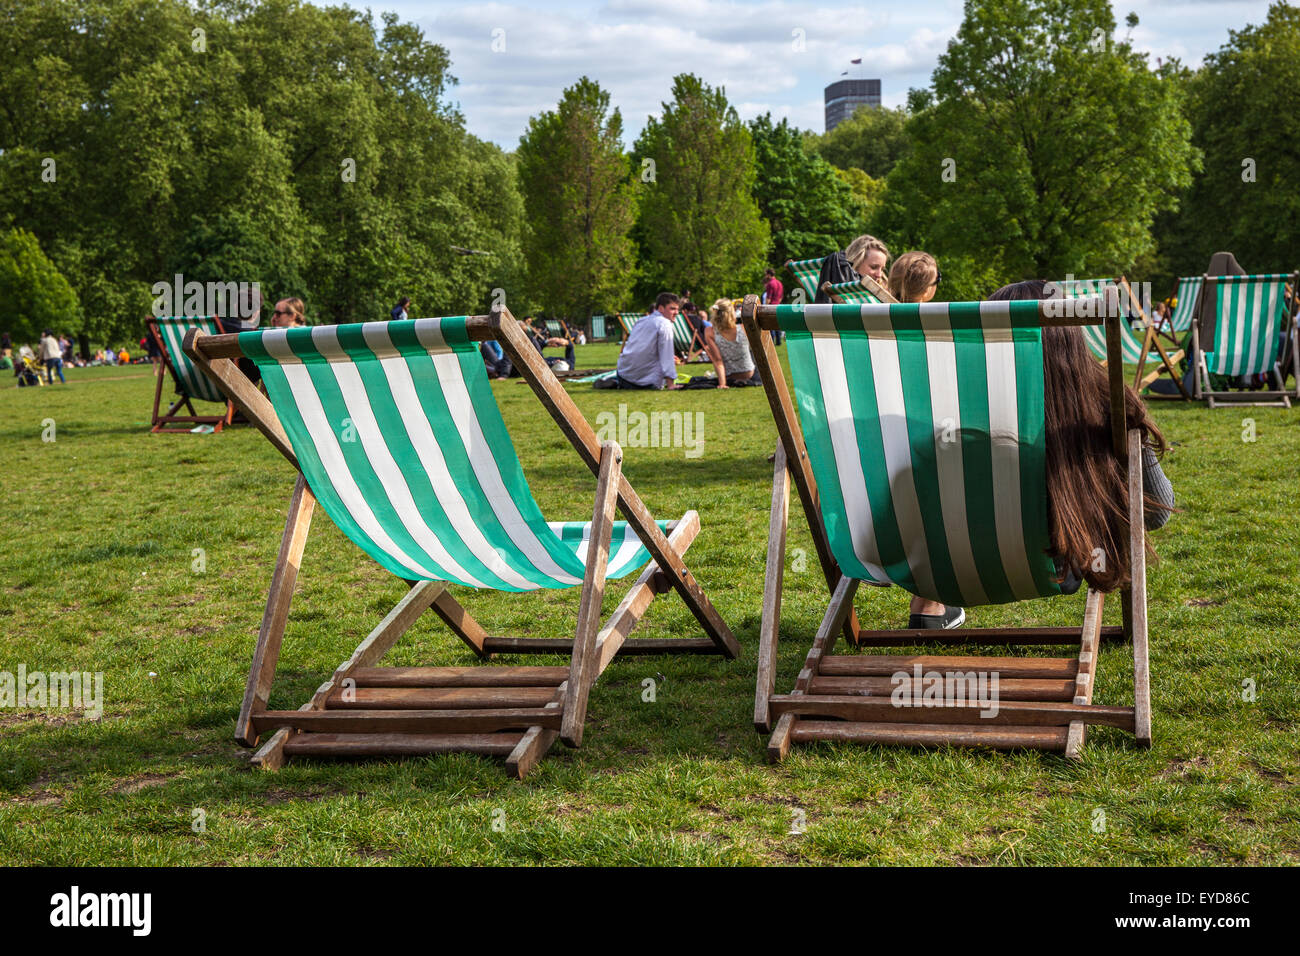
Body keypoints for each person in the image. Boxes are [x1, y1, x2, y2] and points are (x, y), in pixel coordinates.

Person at [600, 293, 680, 390]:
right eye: (672, 309)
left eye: (677, 309)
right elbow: (666, 356)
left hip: (623, 374)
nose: (676, 312)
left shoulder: (641, 321)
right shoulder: (665, 324)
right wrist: (671, 384)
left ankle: (615, 382)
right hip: (644, 382)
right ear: (661, 308)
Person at [815, 234, 890, 304]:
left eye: (882, 269)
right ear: (855, 263)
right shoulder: (853, 299)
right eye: (873, 267)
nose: (879, 275)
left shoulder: (884, 294)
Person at [703, 299, 760, 387]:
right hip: (749, 373)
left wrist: (722, 384)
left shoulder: (709, 332)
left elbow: (718, 361)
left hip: (729, 376)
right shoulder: (744, 328)